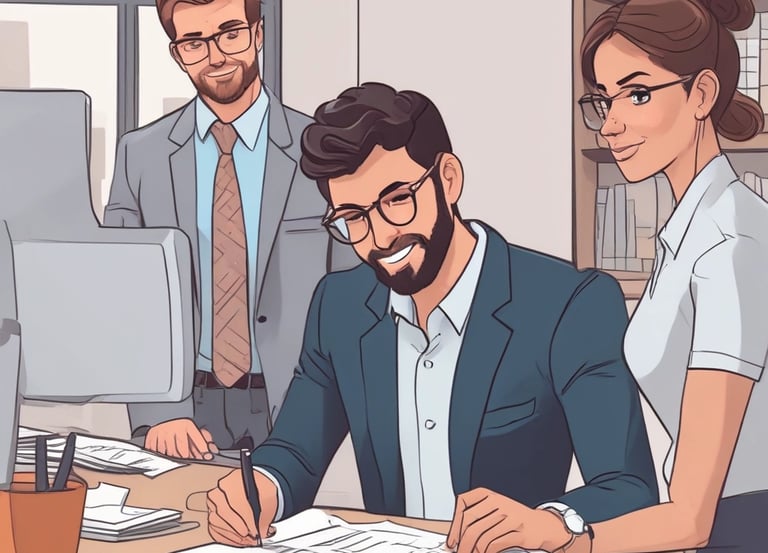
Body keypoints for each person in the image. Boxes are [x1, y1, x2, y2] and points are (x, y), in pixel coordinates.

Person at [203, 81, 659, 547]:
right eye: (353, 218)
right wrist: (261, 487)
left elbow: (629, 488)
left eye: (397, 200)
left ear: (448, 179)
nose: (379, 238)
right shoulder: (338, 309)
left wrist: (548, 523)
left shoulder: (568, 304)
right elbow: (296, 452)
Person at [447, 1, 768, 552]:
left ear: (701, 94)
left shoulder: (732, 243)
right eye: (603, 98)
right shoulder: (689, 233)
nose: (611, 122)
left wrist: (557, 532)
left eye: (638, 94)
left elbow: (694, 516)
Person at [103, 0, 356, 459]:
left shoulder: (320, 154)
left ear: (259, 34)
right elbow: (125, 296)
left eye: (230, 33)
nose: (216, 55)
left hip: (298, 401)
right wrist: (157, 412)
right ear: (178, 55)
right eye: (195, 43)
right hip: (181, 408)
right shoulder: (139, 156)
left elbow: (355, 293)